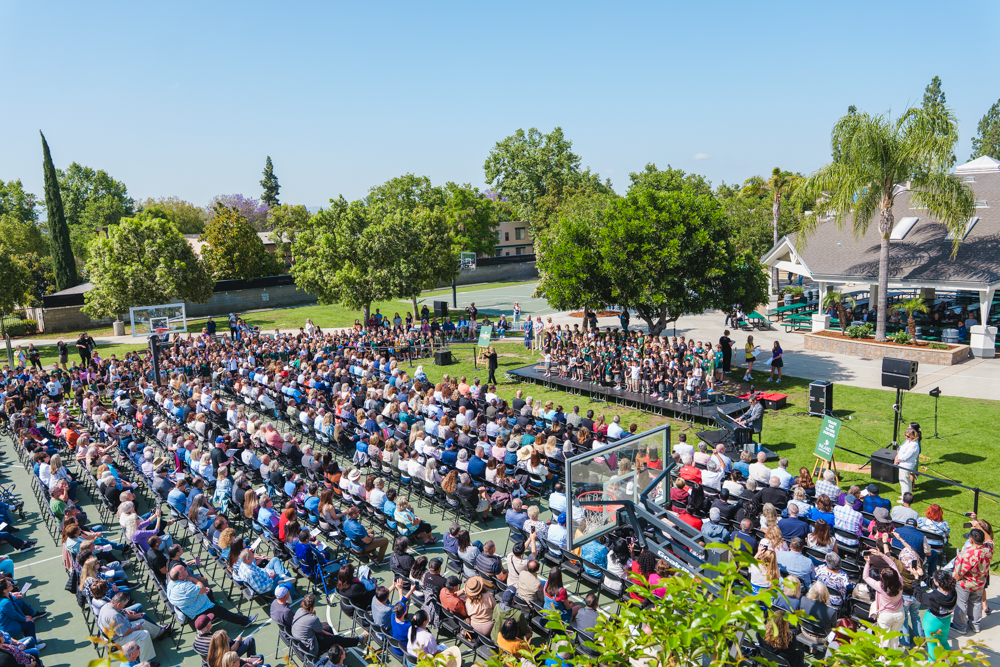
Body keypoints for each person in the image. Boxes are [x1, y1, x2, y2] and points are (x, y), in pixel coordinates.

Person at [97, 591, 171, 664]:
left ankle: (159, 633)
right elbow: (124, 633)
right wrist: (136, 629)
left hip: (117, 632)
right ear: (118, 604)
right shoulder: (114, 615)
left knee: (142, 621)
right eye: (124, 605)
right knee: (144, 634)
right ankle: (145, 663)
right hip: (117, 639)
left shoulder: (107, 606)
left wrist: (134, 616)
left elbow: (122, 618)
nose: (124, 607)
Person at [292, 593, 362, 657]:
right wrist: (314, 615)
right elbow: (319, 629)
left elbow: (315, 628)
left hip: (301, 644)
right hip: (311, 649)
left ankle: (336, 650)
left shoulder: (299, 610)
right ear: (314, 604)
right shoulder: (313, 618)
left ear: (303, 604)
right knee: (336, 638)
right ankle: (358, 640)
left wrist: (326, 632)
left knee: (328, 629)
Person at [952, 528, 993, 635]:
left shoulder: (967, 554)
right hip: (980, 582)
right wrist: (978, 525)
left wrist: (952, 583)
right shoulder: (988, 549)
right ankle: (975, 625)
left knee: (961, 604)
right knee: (976, 603)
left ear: (971, 540)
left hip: (965, 584)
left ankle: (959, 626)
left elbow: (959, 573)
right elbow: (990, 539)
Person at [862, 551, 904, 648]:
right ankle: (893, 659)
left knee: (883, 641)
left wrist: (867, 563)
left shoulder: (880, 586)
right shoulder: (900, 582)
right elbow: (892, 564)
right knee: (894, 639)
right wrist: (882, 555)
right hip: (899, 614)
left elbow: (865, 577)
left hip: (885, 615)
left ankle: (883, 661)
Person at [915, 570, 958, 659]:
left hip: (932, 622)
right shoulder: (953, 592)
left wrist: (916, 579)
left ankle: (933, 664)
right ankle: (950, 661)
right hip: (946, 621)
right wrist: (922, 575)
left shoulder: (933, 596)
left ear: (937, 583)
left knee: (932, 645)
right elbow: (935, 585)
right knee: (944, 641)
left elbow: (918, 595)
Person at [893, 428, 920, 498]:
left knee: (904, 482)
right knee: (907, 481)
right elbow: (901, 448)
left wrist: (899, 460)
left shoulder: (914, 444)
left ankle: (905, 498)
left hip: (906, 465)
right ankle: (908, 495)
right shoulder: (908, 441)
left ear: (912, 436)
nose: (906, 437)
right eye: (905, 435)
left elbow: (907, 455)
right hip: (903, 463)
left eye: (908, 436)